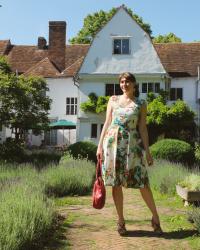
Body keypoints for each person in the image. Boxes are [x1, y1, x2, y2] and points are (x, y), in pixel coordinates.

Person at [96, 72, 163, 236]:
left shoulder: (141, 103)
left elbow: (142, 129)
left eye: (127, 82)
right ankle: (121, 221)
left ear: (134, 84)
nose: (124, 84)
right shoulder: (112, 100)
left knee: (142, 182)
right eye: (122, 82)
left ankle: (155, 218)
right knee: (116, 183)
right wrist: (99, 146)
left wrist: (147, 151)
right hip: (112, 145)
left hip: (132, 147)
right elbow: (106, 123)